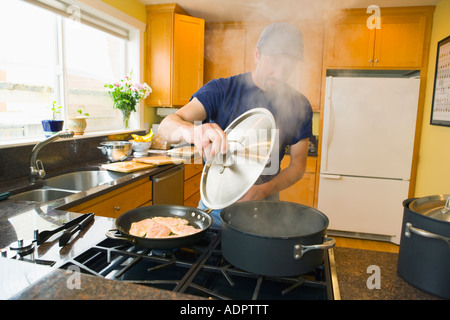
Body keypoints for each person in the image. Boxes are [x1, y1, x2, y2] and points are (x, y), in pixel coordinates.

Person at [158, 22, 313, 227]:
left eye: (288, 66)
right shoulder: (221, 90)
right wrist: (192, 131)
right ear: (257, 55)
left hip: (265, 204)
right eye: (273, 62)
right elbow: (166, 126)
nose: (279, 74)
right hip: (215, 204)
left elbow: (298, 167)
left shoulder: (299, 105)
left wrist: (263, 190)